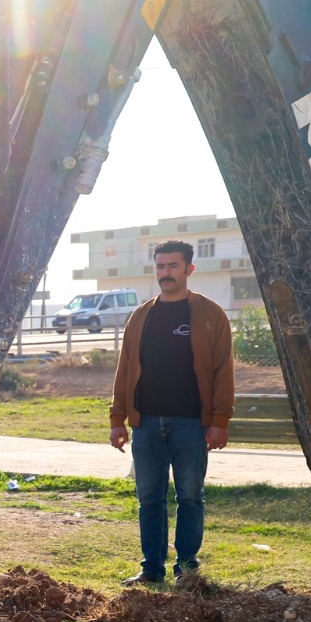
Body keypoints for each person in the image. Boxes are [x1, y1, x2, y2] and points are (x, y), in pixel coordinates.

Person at [110, 238, 234, 586]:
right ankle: (152, 569)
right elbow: (125, 369)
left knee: (190, 496)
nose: (166, 273)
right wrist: (117, 419)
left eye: (173, 266)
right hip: (146, 423)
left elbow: (224, 370)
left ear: (189, 269)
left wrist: (220, 422)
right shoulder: (141, 316)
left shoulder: (210, 314)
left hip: (192, 424)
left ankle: (187, 568)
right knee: (149, 499)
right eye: (161, 266)